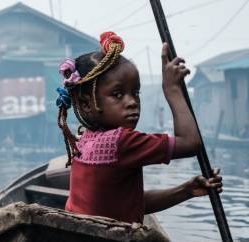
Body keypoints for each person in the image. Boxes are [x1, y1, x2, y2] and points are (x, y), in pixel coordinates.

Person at [56, 32, 222, 224]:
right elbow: (190, 143)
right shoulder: (122, 141)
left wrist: (186, 190)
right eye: (117, 94)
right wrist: (172, 89)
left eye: (135, 93)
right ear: (87, 104)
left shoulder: (84, 140)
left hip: (81, 238)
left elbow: (131, 203)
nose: (132, 102)